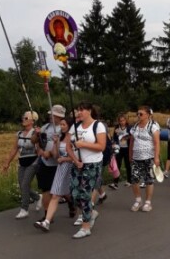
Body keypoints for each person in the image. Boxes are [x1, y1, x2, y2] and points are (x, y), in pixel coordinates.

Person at [68, 102, 106, 239]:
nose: (79, 112)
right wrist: (74, 159)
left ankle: (85, 227)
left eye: (82, 110)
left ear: (89, 111)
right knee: (73, 193)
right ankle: (91, 212)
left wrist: (83, 144)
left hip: (92, 164)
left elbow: (101, 146)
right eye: (78, 110)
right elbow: (68, 146)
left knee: (84, 195)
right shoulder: (75, 126)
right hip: (77, 164)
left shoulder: (98, 125)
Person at [34, 117, 75, 232]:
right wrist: (56, 144)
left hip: (72, 168)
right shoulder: (60, 138)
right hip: (61, 169)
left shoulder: (74, 137)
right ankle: (47, 221)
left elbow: (77, 157)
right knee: (55, 194)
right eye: (61, 124)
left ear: (69, 126)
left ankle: (88, 212)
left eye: (63, 125)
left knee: (75, 194)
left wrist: (66, 159)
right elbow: (56, 155)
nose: (61, 127)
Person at [3, 111, 42, 219]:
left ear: (32, 121)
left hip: (33, 161)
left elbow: (39, 148)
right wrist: (7, 162)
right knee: (22, 185)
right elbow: (15, 149)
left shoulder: (35, 132)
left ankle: (24, 209)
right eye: (23, 118)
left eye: (25, 118)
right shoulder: (19, 134)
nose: (23, 120)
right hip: (22, 161)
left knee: (25, 184)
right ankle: (38, 197)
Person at [34, 105, 65, 222]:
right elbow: (36, 141)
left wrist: (50, 153)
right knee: (45, 189)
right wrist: (36, 135)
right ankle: (47, 215)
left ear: (59, 116)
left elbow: (62, 145)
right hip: (45, 163)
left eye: (53, 115)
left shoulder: (63, 128)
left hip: (59, 163)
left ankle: (72, 205)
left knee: (61, 191)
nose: (50, 116)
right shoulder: (45, 127)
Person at [129, 106, 161, 212]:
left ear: (148, 115)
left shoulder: (153, 126)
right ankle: (138, 200)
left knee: (148, 180)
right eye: (137, 114)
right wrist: (130, 155)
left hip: (149, 157)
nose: (138, 116)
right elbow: (132, 142)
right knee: (134, 179)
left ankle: (148, 202)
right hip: (136, 157)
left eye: (141, 114)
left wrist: (156, 158)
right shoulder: (135, 127)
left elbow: (157, 143)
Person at [110, 113, 131, 189]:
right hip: (119, 148)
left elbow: (131, 137)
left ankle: (129, 180)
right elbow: (114, 138)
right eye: (120, 121)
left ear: (126, 120)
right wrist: (114, 144)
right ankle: (115, 182)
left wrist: (125, 136)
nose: (122, 122)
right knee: (117, 164)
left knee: (127, 164)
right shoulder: (116, 127)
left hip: (127, 148)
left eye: (123, 120)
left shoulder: (129, 127)